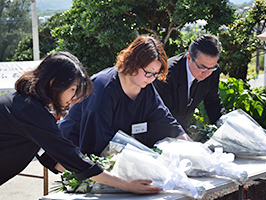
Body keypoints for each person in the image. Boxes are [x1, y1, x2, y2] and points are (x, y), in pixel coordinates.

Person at [0, 51, 160, 194]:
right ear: (53, 82)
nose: (74, 97)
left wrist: (84, 170)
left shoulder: (22, 104)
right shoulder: (30, 111)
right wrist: (126, 185)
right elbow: (69, 156)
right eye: (72, 89)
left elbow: (48, 153)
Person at [59, 35, 192, 156]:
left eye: (156, 74)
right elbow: (97, 141)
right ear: (134, 63)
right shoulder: (103, 87)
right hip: (74, 150)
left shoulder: (145, 87)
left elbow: (164, 119)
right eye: (149, 72)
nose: (151, 78)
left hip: (113, 150)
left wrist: (191, 145)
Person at [153, 34, 226, 132]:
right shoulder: (167, 74)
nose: (206, 72)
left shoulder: (212, 72)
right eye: (202, 67)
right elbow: (162, 114)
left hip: (182, 128)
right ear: (189, 57)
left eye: (211, 67)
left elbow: (213, 102)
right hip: (158, 130)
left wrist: (223, 124)